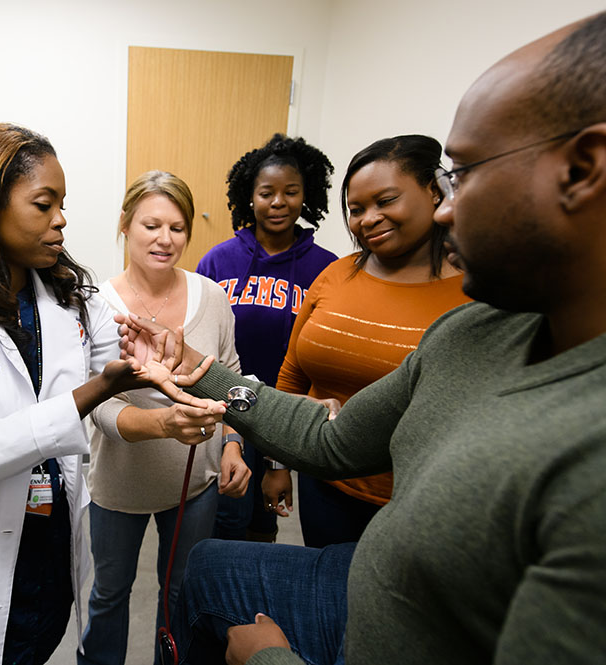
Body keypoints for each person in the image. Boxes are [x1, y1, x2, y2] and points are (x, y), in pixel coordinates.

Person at [120, 9, 606, 663]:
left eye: (462, 174)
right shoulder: (474, 331)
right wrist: (196, 367)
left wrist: (269, 658)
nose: (443, 208)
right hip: (378, 576)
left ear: (583, 169)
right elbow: (329, 437)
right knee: (208, 566)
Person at [0, 125, 220, 665]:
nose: (60, 219)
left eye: (62, 204)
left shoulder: (71, 297)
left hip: (48, 531)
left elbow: (121, 364)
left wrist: (159, 361)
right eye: (44, 204)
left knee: (38, 639)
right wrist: (100, 387)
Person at [80, 171, 249, 665]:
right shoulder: (95, 305)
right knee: (110, 594)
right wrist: (163, 425)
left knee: (180, 595)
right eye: (151, 225)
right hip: (119, 483)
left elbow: (233, 376)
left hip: (195, 480)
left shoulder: (212, 297)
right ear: (126, 225)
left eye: (177, 228)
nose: (164, 239)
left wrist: (234, 443)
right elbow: (102, 407)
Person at [276, 134, 470, 547]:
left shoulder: (474, 290)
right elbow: (292, 373)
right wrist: (277, 463)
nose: (368, 219)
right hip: (324, 485)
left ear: (436, 192)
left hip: (417, 500)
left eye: (386, 201)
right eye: (356, 209)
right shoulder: (335, 275)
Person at [197, 135, 336, 541]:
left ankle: (250, 603)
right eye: (267, 193)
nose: (278, 202)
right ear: (249, 197)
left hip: (282, 417)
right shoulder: (219, 261)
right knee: (227, 521)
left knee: (263, 523)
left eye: (290, 192)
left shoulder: (324, 269)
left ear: (305, 196)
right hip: (225, 413)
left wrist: (279, 465)